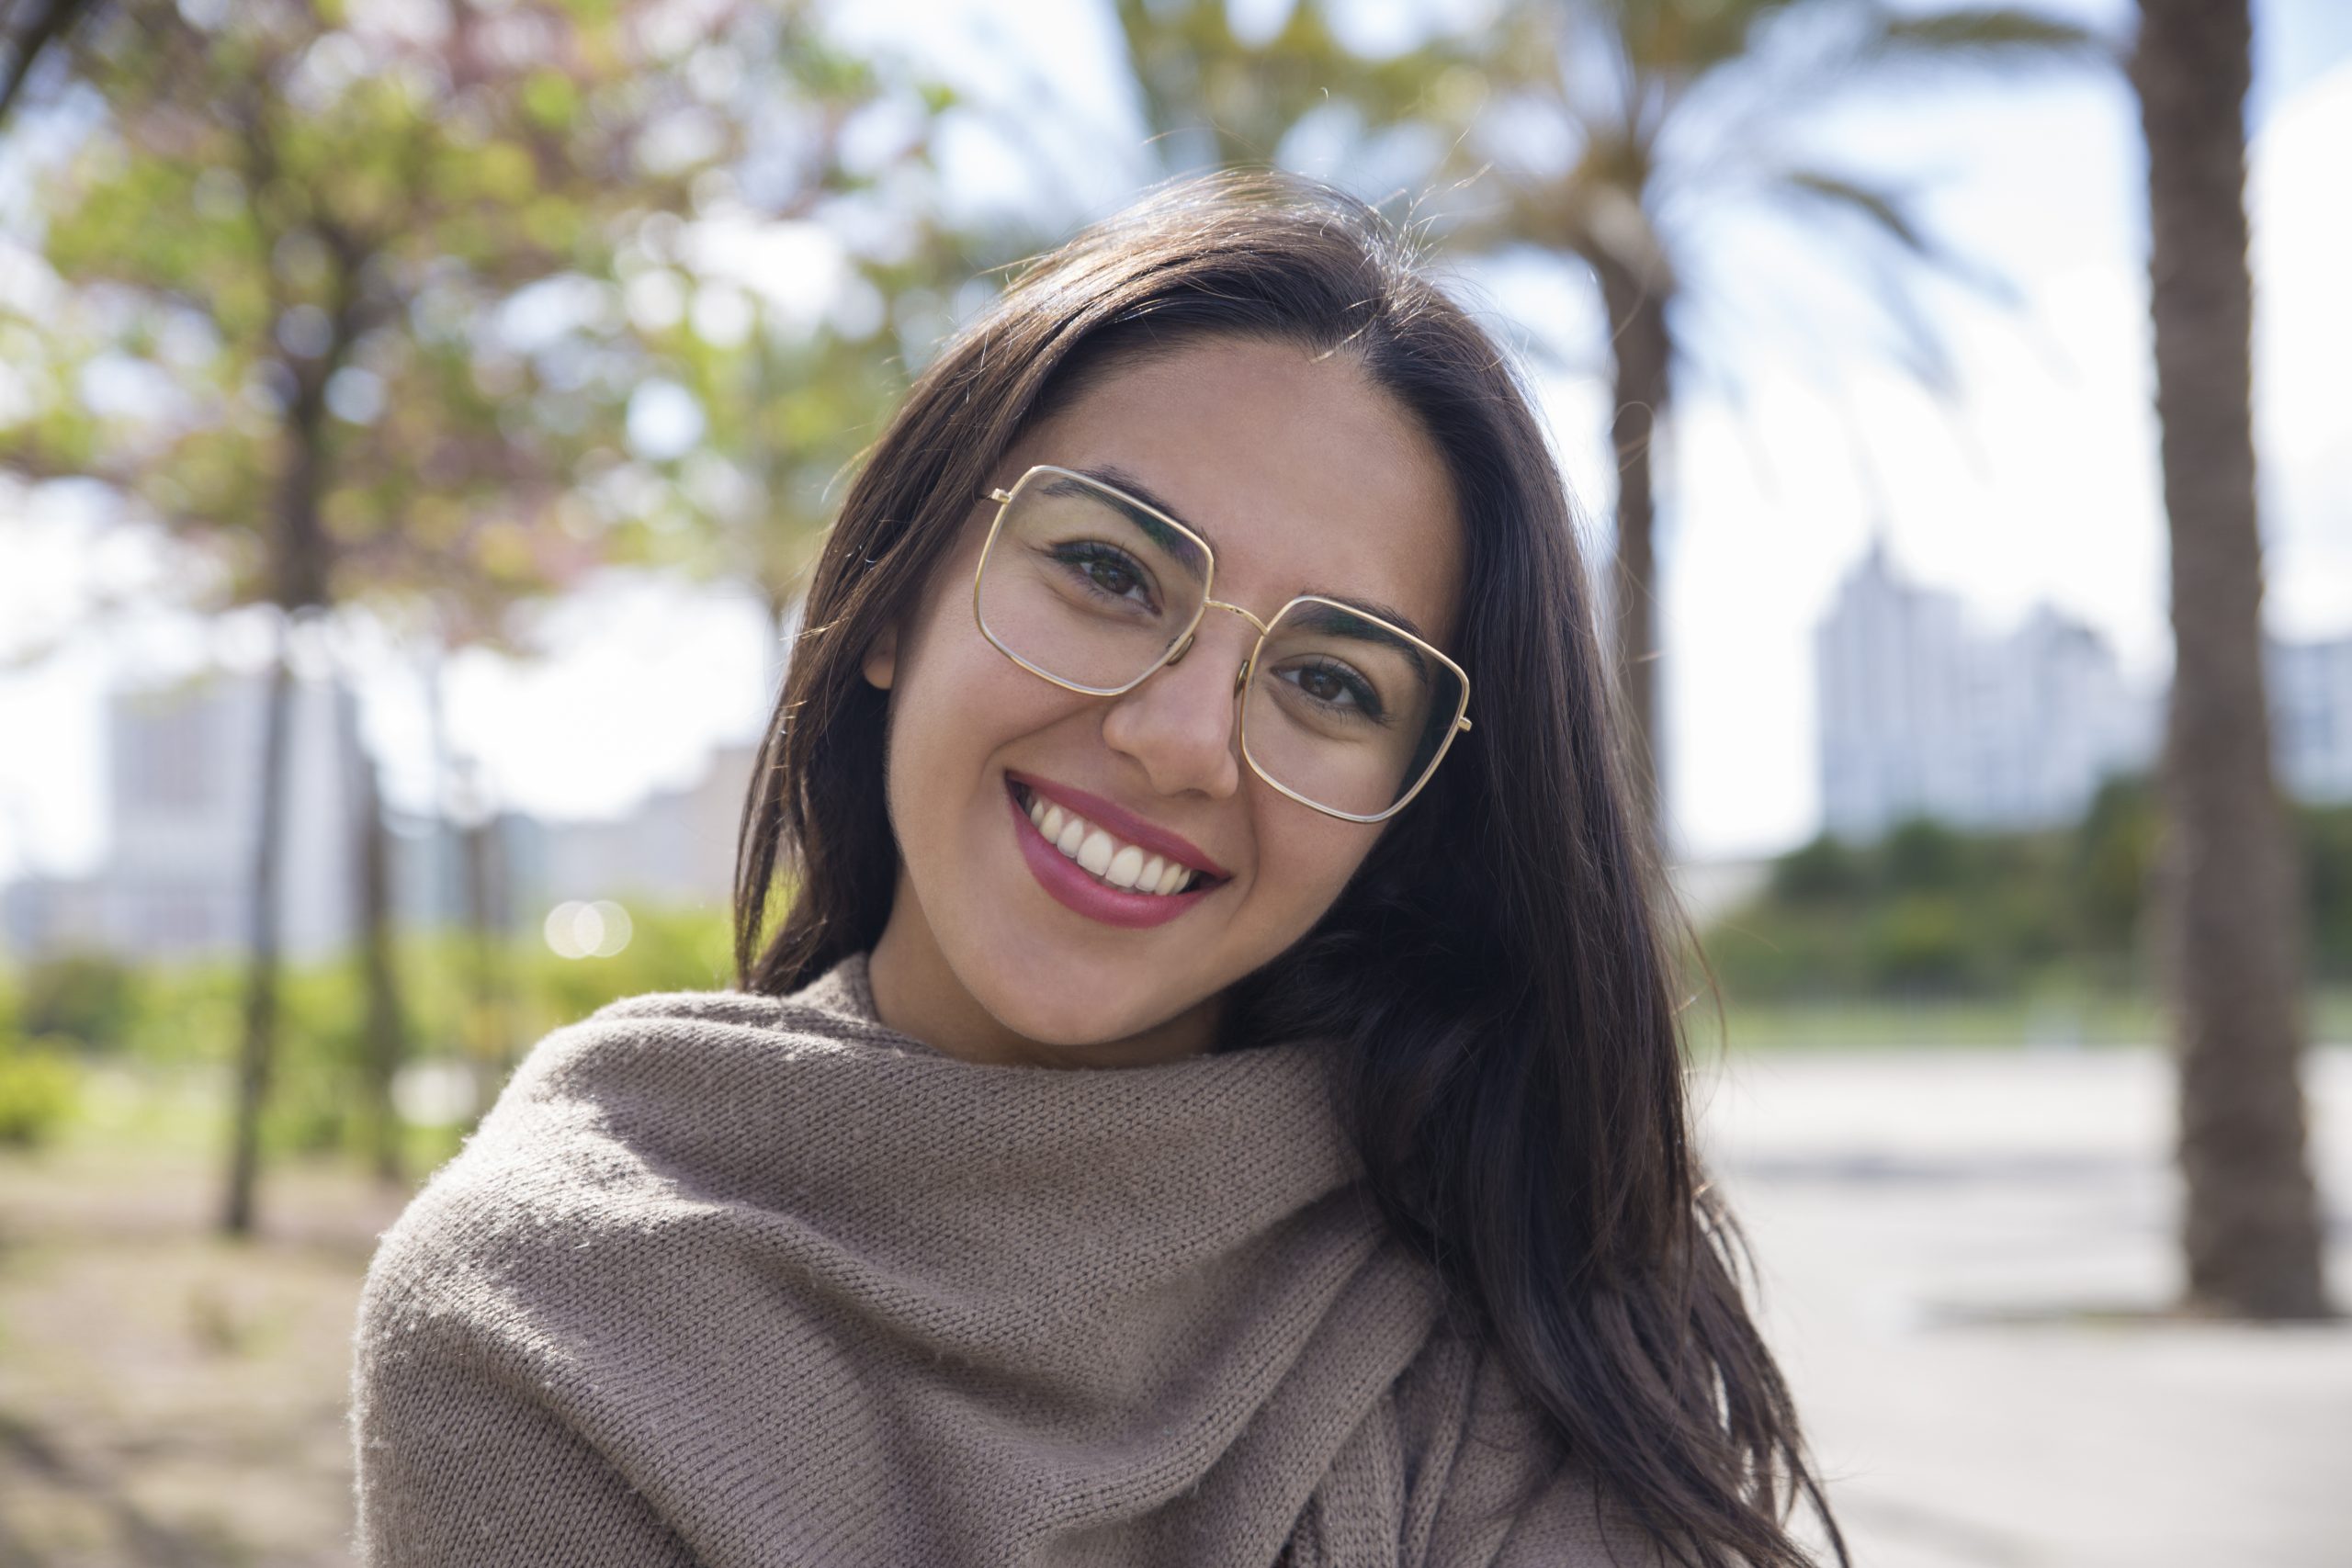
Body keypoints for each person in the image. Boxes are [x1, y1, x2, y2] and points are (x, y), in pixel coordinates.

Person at [349, 171, 1849, 1568]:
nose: (1184, 740)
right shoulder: (547, 1316)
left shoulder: (1517, 1299)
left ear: (1410, 807)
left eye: (1333, 683)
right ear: (893, 599)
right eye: (1109, 572)